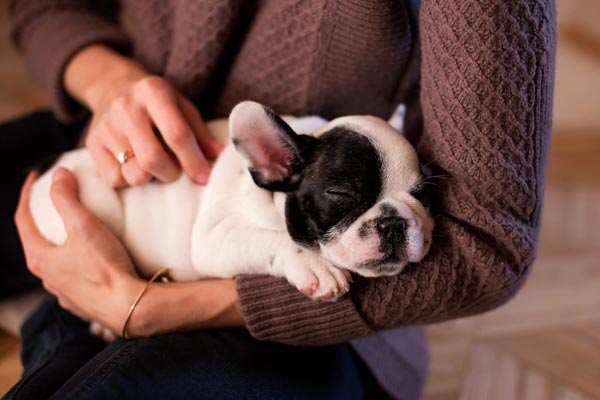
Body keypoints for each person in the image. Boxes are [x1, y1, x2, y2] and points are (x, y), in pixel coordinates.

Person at [2, 0, 556, 398]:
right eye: (348, 201)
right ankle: (64, 320)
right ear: (272, 165)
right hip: (121, 153)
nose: (391, 223)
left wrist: (150, 310)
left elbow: (489, 244)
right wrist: (109, 83)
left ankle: (59, 324)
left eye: (415, 198)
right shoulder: (284, 162)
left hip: (314, 325)